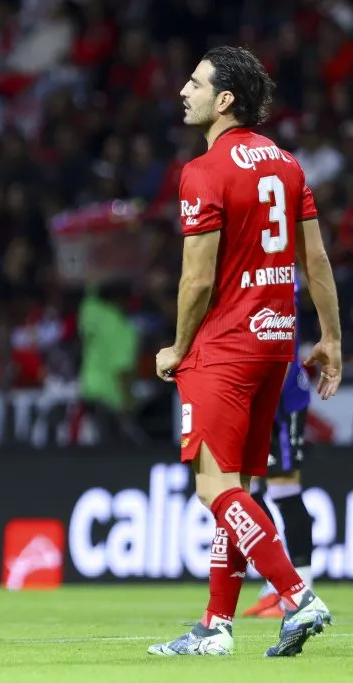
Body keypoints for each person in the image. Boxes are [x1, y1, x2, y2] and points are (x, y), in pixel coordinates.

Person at [149, 46, 341, 658]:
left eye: (196, 83)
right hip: (276, 347)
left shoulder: (203, 171)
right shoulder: (286, 163)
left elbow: (196, 280)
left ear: (225, 99)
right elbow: (316, 261)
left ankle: (297, 596)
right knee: (237, 488)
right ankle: (216, 626)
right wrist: (332, 338)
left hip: (225, 347)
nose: (184, 90)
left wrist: (178, 347)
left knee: (214, 490)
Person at [242, 279, 315, 619]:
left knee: (285, 490)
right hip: (254, 396)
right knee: (248, 492)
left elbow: (282, 347)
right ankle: (277, 584)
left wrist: (264, 403)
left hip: (282, 401)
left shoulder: (280, 280)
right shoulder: (249, 276)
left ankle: (301, 589)